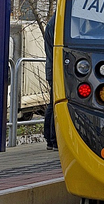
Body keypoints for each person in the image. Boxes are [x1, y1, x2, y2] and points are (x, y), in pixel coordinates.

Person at [43, 14, 57, 151]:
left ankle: (49, 139)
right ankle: (53, 139)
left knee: (52, 104)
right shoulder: (57, 22)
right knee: (55, 105)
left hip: (52, 68)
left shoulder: (52, 22)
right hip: (55, 69)